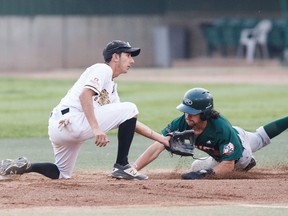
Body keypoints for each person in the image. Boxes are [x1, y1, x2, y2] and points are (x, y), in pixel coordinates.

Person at [0, 40, 168, 181]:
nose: (132, 61)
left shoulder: (111, 87)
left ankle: (24, 167)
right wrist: (96, 129)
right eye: (128, 55)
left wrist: (164, 140)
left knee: (62, 173)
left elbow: (129, 120)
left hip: (60, 127)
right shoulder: (103, 69)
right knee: (130, 107)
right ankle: (122, 165)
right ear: (115, 57)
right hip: (72, 120)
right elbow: (84, 96)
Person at [133, 87, 288, 180]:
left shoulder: (221, 129)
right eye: (186, 111)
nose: (187, 116)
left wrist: (204, 174)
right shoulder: (182, 122)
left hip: (239, 151)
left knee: (238, 163)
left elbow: (227, 165)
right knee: (196, 167)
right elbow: (159, 144)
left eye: (192, 113)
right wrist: (133, 169)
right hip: (233, 137)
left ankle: (248, 163)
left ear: (205, 113)